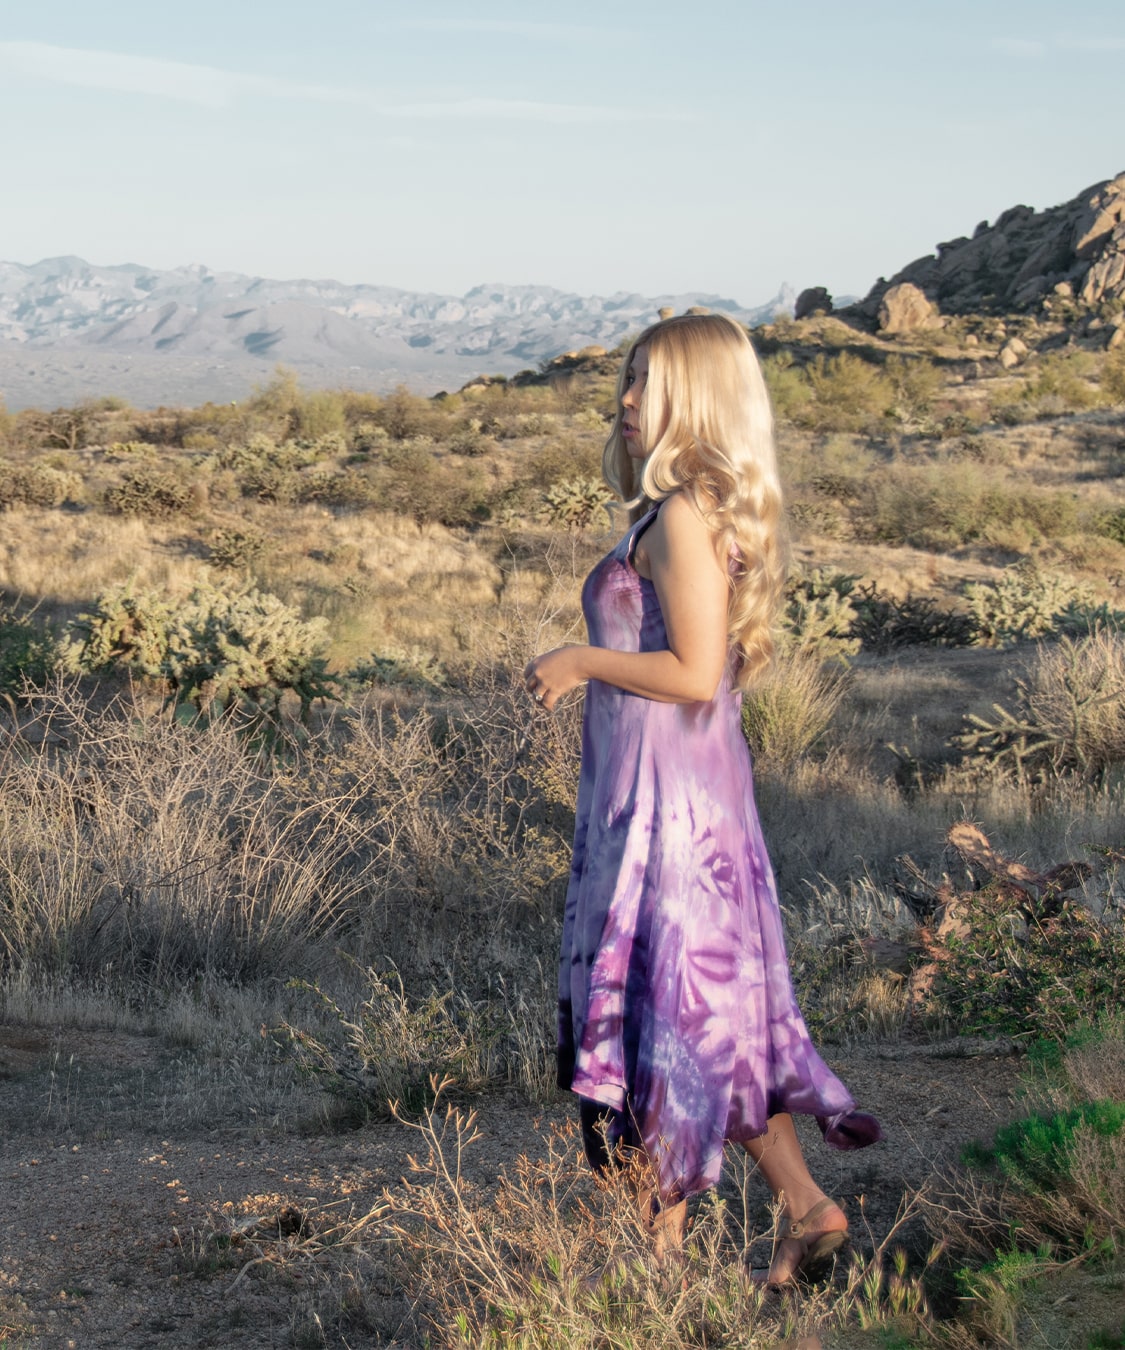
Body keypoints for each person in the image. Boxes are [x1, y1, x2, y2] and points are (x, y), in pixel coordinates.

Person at [524, 313, 881, 1285]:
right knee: (702, 1024)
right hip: (668, 809)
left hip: (668, 826)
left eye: (646, 382)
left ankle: (659, 1289)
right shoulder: (674, 509)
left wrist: (577, 659)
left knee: (658, 1037)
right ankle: (805, 1209)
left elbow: (692, 673)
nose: (626, 399)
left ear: (697, 395)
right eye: (628, 380)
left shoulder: (682, 513)